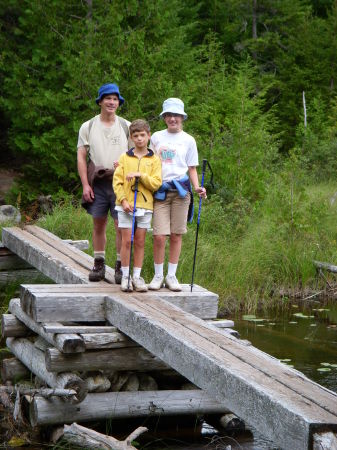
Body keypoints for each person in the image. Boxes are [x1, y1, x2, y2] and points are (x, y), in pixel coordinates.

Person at [148, 98, 206, 292]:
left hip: (182, 192)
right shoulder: (156, 137)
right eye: (169, 115)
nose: (173, 119)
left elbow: (191, 168)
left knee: (176, 234)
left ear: (182, 117)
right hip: (160, 192)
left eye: (176, 115)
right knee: (159, 236)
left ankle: (171, 275)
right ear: (164, 117)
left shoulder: (189, 140)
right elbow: (148, 161)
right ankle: (157, 275)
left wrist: (198, 187)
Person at [77, 83, 132, 283]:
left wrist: (126, 167)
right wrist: (85, 184)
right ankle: (98, 264)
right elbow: (82, 157)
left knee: (120, 225)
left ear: (119, 102)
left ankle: (120, 267)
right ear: (100, 101)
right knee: (98, 222)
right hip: (97, 181)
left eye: (115, 99)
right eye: (107, 98)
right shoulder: (88, 126)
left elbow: (137, 155)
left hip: (121, 183)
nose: (111, 102)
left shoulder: (127, 125)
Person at [113, 119, 162, 292]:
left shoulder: (154, 159)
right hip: (125, 206)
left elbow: (156, 183)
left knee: (140, 241)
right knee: (126, 241)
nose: (140, 139)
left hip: (145, 206)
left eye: (142, 135)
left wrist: (140, 175)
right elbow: (117, 182)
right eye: (136, 136)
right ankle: (125, 277)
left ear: (148, 136)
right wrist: (123, 200)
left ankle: (137, 276)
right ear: (131, 138)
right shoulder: (124, 157)